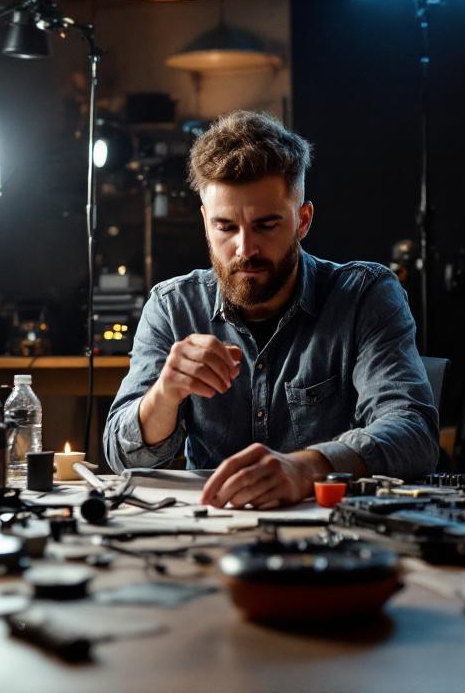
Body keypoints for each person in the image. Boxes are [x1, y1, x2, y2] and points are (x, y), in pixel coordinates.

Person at [102, 111, 438, 509]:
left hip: (331, 539)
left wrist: (306, 469)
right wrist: (164, 395)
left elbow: (413, 431)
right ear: (205, 223)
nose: (245, 250)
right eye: (226, 227)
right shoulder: (172, 307)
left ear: (303, 220)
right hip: (209, 534)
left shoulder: (365, 295)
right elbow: (120, 456)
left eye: (266, 225)